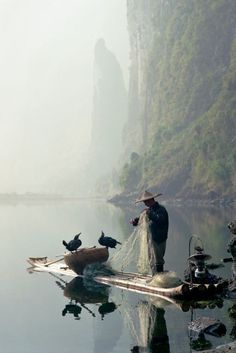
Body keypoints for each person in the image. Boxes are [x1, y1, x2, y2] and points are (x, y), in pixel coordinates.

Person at [130, 190, 169, 273]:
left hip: (159, 238)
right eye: (144, 202)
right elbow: (141, 219)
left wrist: (150, 214)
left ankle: (160, 278)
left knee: (158, 259)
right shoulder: (149, 210)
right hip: (151, 238)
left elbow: (160, 220)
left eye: (145, 201)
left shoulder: (161, 209)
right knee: (151, 258)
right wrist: (135, 221)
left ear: (151, 200)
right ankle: (154, 277)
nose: (145, 203)